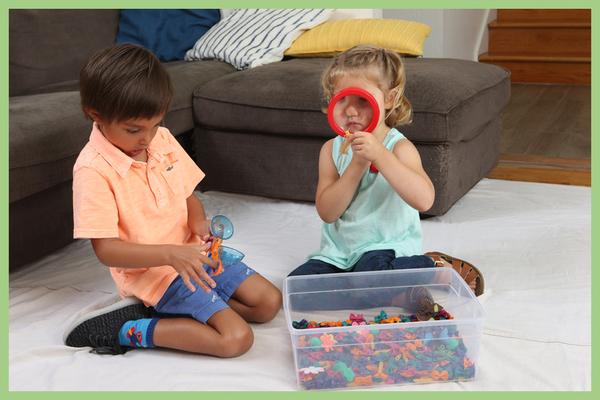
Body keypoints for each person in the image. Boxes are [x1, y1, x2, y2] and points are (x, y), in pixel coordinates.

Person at [64, 44, 282, 357]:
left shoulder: (160, 140)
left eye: (154, 125)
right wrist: (171, 254)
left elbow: (187, 195)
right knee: (235, 339)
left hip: (195, 256)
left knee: (267, 303)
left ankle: (183, 315)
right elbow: (107, 251)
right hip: (156, 275)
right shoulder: (93, 170)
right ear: (96, 115)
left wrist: (199, 224)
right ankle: (125, 330)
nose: (146, 139)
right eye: (134, 129)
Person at [288, 45, 484, 298]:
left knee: (370, 278)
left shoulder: (399, 147)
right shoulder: (330, 150)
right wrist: (357, 165)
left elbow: (424, 200)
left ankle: (431, 266)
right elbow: (327, 212)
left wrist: (380, 155)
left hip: (384, 248)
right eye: (342, 98)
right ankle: (400, 292)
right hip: (338, 254)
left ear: (389, 99)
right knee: (296, 291)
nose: (350, 110)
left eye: (361, 99)